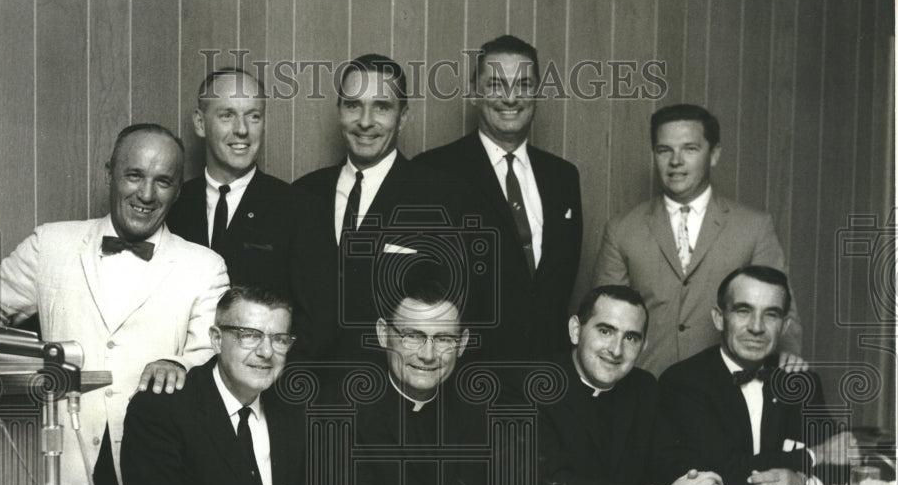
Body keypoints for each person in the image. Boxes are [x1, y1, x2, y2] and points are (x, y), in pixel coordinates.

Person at [0, 124, 229, 485]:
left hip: (153, 477)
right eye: (134, 175)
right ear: (110, 174)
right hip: (56, 471)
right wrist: (28, 370)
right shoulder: (50, 244)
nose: (146, 194)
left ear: (177, 191)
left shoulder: (205, 266)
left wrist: (177, 363)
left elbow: (213, 353)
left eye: (163, 181)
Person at [326, 270, 559, 485]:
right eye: (413, 336)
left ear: (462, 344)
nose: (428, 355)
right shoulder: (340, 406)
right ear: (383, 334)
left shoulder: (478, 409)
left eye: (444, 339)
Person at [593, 103, 802, 378]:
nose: (675, 161)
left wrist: (789, 362)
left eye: (689, 149)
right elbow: (604, 319)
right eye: (664, 150)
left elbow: (782, 307)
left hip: (724, 387)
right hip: (647, 385)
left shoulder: (754, 227)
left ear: (714, 154)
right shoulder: (622, 229)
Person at [122, 286, 334, 485]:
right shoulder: (161, 408)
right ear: (216, 339)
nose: (266, 352)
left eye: (279, 339)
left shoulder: (297, 404)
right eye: (250, 336)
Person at [413, 34, 583, 358]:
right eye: (495, 84)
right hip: (465, 369)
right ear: (474, 93)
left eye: (523, 85)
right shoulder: (432, 171)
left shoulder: (563, 178)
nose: (510, 98)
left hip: (548, 367)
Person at [294, 53, 461, 359]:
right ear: (339, 111)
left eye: (382, 107)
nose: (365, 121)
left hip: (391, 381)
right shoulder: (303, 193)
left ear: (403, 117)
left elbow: (450, 310)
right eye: (353, 105)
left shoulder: (440, 198)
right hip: (303, 378)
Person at [166, 68, 333, 358]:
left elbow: (318, 326)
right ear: (200, 123)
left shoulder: (300, 209)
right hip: (183, 377)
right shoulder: (173, 204)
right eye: (227, 115)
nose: (242, 129)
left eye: (253, 116)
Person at [656, 266, 856, 485]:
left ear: (784, 326)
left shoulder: (799, 381)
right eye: (743, 311)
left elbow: (844, 461)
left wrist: (806, 484)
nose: (757, 327)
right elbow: (718, 471)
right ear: (719, 318)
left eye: (771, 314)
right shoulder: (684, 381)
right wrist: (813, 455)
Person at [537, 285, 726, 485]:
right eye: (605, 331)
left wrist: (694, 484)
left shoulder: (644, 387)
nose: (616, 350)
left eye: (630, 337)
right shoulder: (531, 386)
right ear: (576, 330)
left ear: (643, 346)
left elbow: (667, 458)